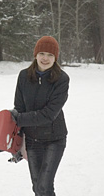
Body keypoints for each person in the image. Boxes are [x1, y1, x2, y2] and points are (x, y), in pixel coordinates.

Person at [11, 36, 69, 196]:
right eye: (42, 53)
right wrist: (17, 140)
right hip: (32, 140)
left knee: (45, 187)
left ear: (55, 58)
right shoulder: (23, 76)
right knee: (37, 187)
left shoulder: (62, 79)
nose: (45, 58)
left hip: (54, 139)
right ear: (35, 54)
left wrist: (17, 119)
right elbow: (19, 108)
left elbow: (49, 114)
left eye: (50, 55)